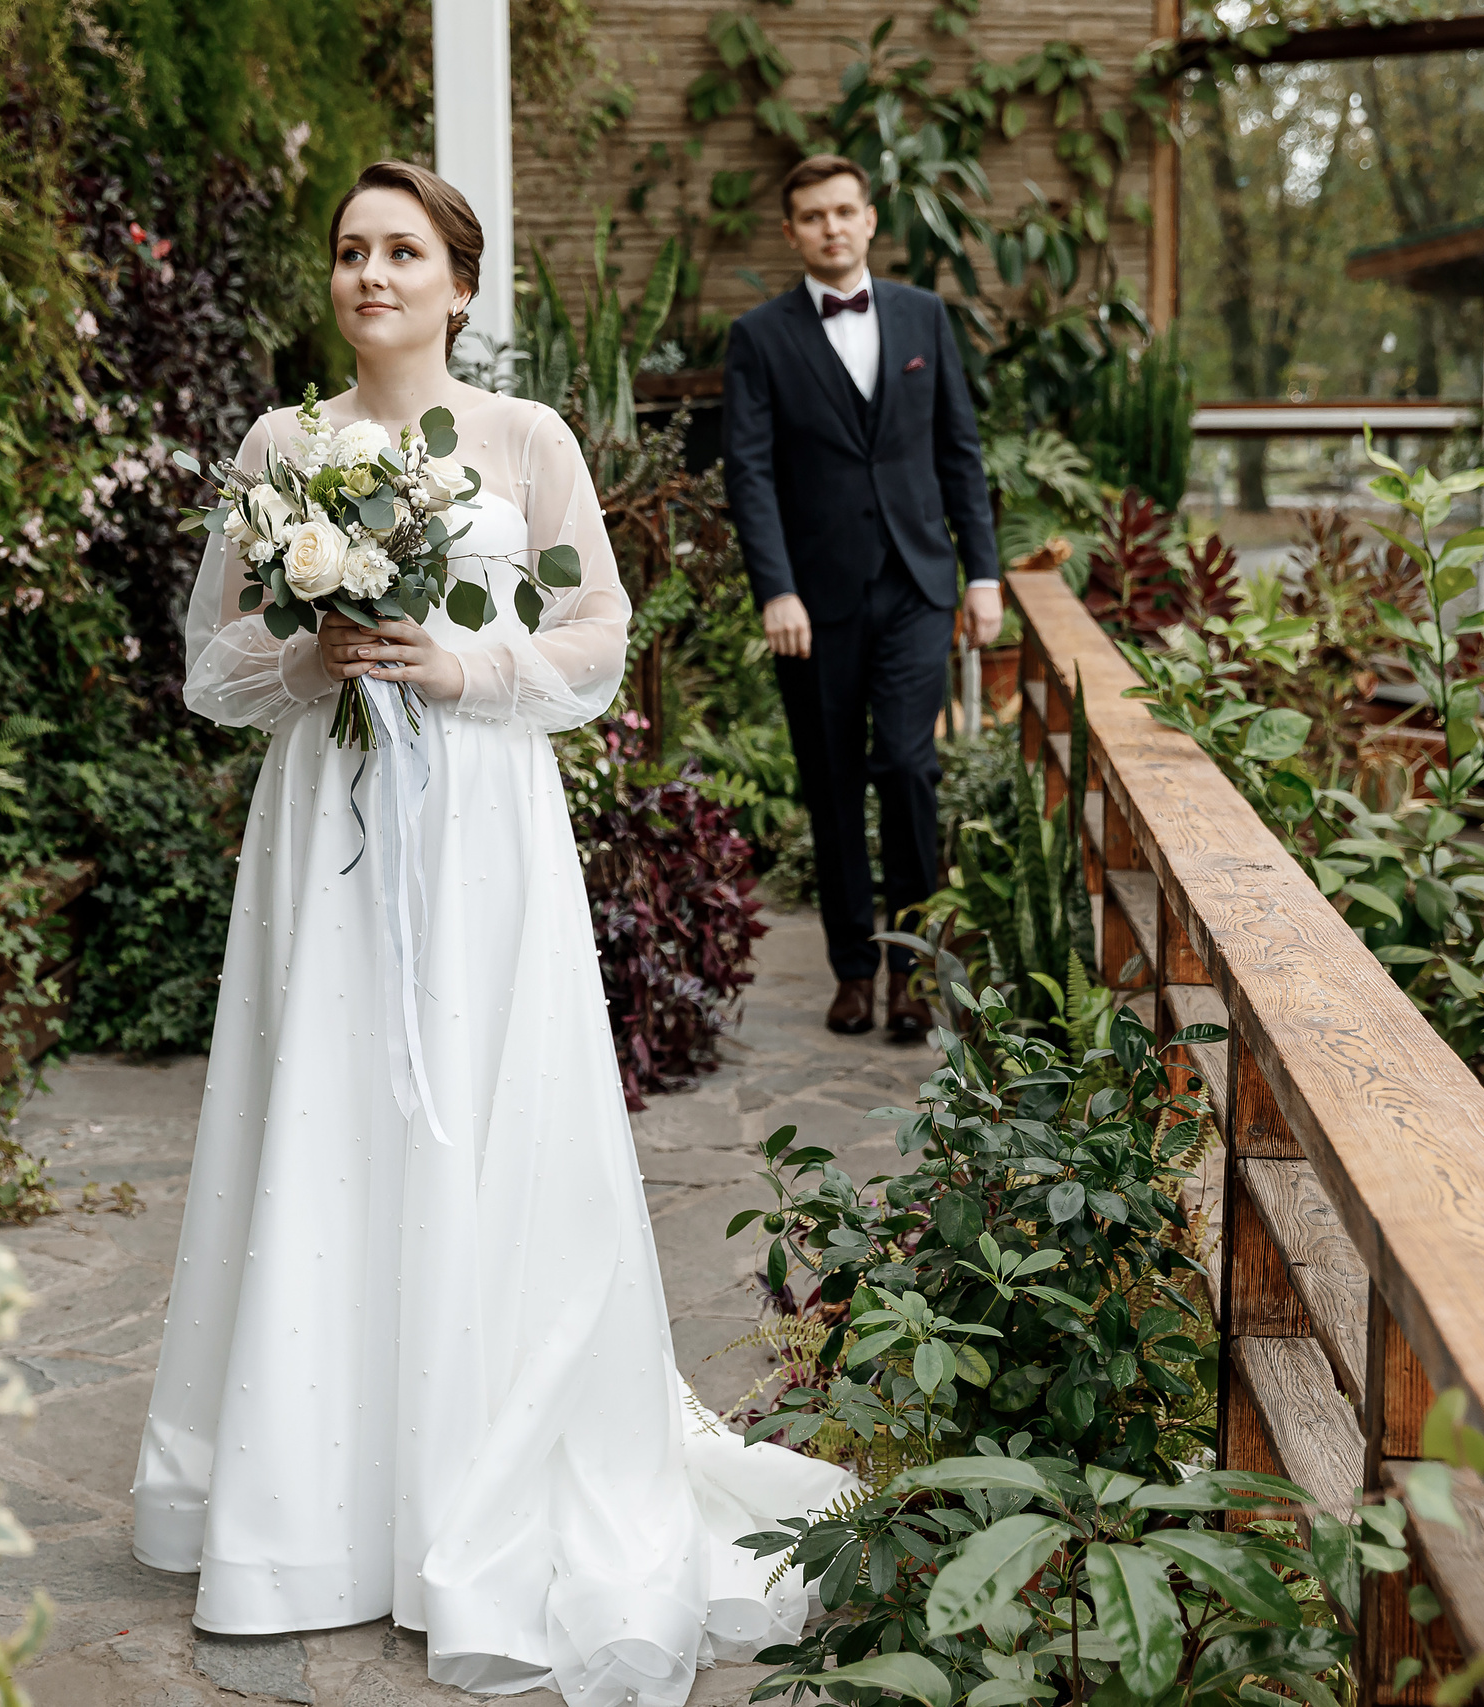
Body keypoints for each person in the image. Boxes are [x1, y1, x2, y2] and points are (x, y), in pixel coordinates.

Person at [133, 160, 852, 1703]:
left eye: (401, 251)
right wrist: (312, 659)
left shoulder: (526, 439)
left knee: (480, 1115)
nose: (369, 274)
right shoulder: (285, 447)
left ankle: (473, 1467)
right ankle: (305, 1498)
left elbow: (599, 632)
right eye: (348, 251)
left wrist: (471, 672)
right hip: (325, 822)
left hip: (481, 821)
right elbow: (211, 661)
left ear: (461, 284)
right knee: (320, 1113)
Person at [722, 154, 1002, 1043]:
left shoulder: (924, 316)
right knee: (833, 781)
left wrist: (983, 572)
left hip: (919, 585)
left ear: (872, 219)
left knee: (910, 769)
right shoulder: (759, 337)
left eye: (845, 211)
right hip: (816, 600)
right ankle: (851, 970)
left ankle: (913, 970)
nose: (832, 228)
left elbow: (960, 450)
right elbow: (750, 474)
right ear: (791, 231)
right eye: (813, 216)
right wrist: (776, 590)